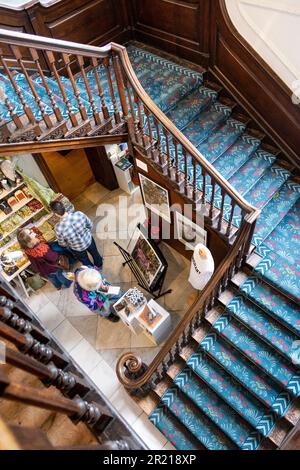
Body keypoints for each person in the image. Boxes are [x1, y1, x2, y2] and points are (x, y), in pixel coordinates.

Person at [49, 200, 103, 268]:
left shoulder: (58, 228)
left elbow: (62, 244)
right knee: (95, 254)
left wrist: (69, 244)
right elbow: (90, 225)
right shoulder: (79, 214)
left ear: (55, 214)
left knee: (85, 261)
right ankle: (99, 264)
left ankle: (92, 271)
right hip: (88, 240)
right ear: (64, 207)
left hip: (76, 248)